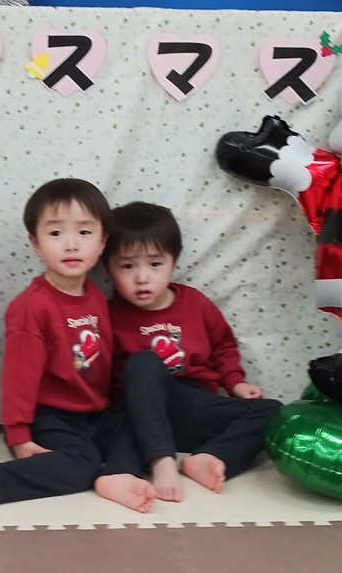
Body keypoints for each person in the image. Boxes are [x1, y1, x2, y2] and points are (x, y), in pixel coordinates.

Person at [0, 178, 156, 515]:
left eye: (84, 232)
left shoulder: (96, 297)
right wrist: (19, 435)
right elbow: (18, 378)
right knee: (82, 463)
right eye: (56, 233)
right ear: (36, 243)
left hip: (97, 413)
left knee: (140, 430)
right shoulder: (32, 307)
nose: (71, 245)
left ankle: (118, 475)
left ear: (102, 242)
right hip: (50, 418)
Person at [106, 201, 282, 501]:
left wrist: (235, 382)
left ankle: (209, 457)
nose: (142, 277)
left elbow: (223, 346)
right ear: (108, 269)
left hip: (193, 406)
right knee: (143, 363)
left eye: (155, 264)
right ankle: (161, 461)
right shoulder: (109, 315)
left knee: (273, 411)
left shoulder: (195, 304)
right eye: (127, 266)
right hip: (140, 416)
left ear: (173, 263)